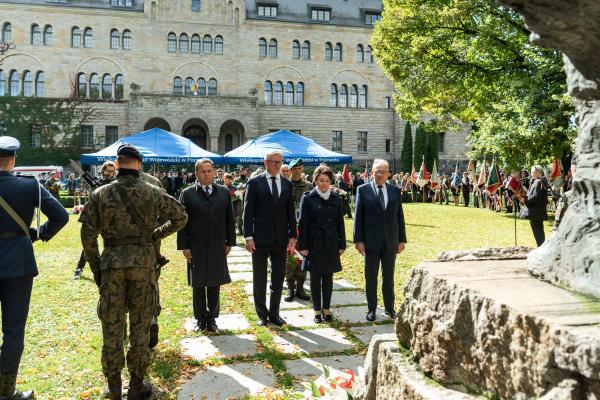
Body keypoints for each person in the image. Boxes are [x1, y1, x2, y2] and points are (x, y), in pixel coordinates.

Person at [79, 144, 187, 400]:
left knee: (113, 327)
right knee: (140, 326)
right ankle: (137, 385)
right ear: (137, 165)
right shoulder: (152, 191)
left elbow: (87, 236)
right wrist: (154, 236)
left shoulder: (101, 194)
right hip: (143, 265)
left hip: (112, 266)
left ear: (117, 164)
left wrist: (96, 269)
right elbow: (181, 216)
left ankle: (114, 386)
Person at [0, 136, 69, 400]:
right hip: (18, 262)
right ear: (14, 160)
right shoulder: (29, 186)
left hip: (16, 261)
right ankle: (6, 390)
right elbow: (61, 216)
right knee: (14, 330)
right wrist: (38, 234)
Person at [177, 159, 235, 333]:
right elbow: (181, 222)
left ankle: (212, 319)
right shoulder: (187, 194)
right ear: (196, 173)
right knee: (198, 283)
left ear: (214, 172)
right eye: (203, 171)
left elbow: (229, 220)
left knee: (214, 283)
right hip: (196, 245)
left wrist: (230, 242)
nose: (207, 174)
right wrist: (184, 246)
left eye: (210, 171)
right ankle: (200, 319)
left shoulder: (224, 192)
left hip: (218, 244)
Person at [243, 150, 296, 327]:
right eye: (273, 162)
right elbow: (247, 212)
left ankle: (275, 313)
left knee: (278, 277)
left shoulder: (287, 185)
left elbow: (290, 213)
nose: (277, 165)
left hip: (280, 238)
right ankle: (262, 315)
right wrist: (248, 236)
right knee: (259, 277)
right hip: (259, 238)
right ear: (265, 163)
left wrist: (292, 235)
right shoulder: (254, 183)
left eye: (279, 162)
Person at [354, 159, 407, 322]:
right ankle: (371, 309)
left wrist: (401, 240)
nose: (380, 174)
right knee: (371, 276)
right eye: (377, 171)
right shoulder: (362, 190)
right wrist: (358, 240)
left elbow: (399, 216)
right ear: (372, 172)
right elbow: (358, 217)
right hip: (370, 241)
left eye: (383, 172)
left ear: (388, 174)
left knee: (388, 277)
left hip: (390, 240)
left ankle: (390, 308)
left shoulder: (394, 191)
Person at [298, 166, 346, 323]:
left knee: (328, 277)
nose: (324, 184)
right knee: (315, 277)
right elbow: (303, 223)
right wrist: (302, 245)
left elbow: (340, 223)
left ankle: (327, 309)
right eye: (321, 180)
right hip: (314, 243)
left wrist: (342, 243)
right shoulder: (308, 198)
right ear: (315, 180)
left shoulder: (336, 198)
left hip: (331, 242)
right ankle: (317, 310)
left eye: (327, 180)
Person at [74, 161, 116, 280]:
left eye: (113, 171)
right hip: (95, 218)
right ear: (102, 171)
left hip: (111, 218)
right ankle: (79, 267)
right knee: (89, 244)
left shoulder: (117, 183)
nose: (111, 173)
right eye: (108, 170)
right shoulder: (97, 182)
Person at [285, 159, 312, 302]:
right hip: (288, 228)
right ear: (289, 170)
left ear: (302, 169)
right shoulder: (284, 185)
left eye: (299, 168)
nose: (296, 171)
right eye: (294, 169)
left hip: (303, 228)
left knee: (302, 257)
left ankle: (300, 287)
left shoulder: (308, 186)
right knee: (289, 259)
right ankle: (290, 287)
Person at [520, 165, 549, 247]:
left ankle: (541, 248)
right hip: (535, 212)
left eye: (532, 172)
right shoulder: (536, 181)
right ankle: (540, 247)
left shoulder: (539, 182)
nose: (531, 173)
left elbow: (536, 197)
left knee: (538, 232)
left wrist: (525, 200)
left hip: (536, 212)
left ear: (538, 172)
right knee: (537, 232)